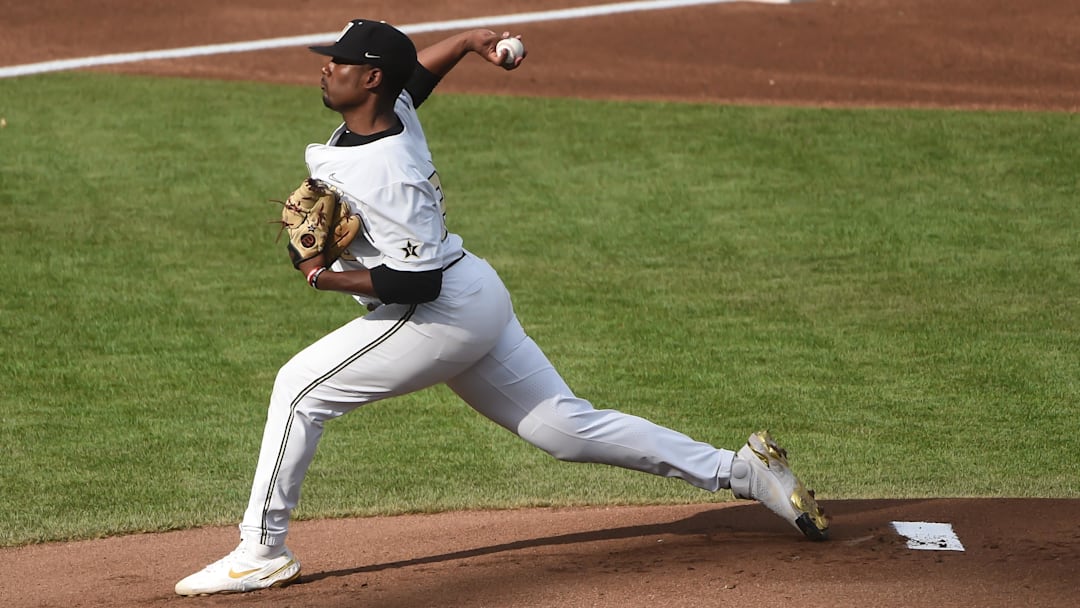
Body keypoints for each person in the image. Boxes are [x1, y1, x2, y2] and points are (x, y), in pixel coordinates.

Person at [174, 19, 829, 597]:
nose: (327, 66)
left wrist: (324, 277)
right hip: (477, 293)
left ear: (368, 78)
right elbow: (417, 79)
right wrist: (464, 41)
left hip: (440, 314)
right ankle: (746, 471)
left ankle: (261, 551)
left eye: (339, 61)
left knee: (297, 391)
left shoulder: (388, 174)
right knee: (565, 431)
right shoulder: (385, 109)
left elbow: (415, 285)